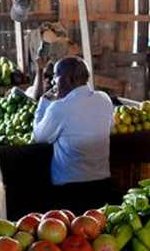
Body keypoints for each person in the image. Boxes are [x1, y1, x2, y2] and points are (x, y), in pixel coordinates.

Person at [32, 56, 114, 213]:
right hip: (102, 185)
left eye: (56, 77)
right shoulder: (104, 99)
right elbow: (110, 128)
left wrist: (44, 103)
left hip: (70, 189)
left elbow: (39, 137)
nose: (54, 82)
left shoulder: (59, 108)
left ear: (67, 79)